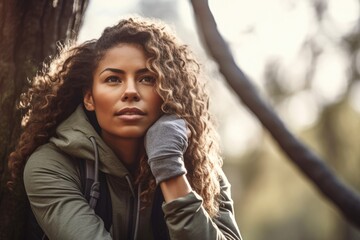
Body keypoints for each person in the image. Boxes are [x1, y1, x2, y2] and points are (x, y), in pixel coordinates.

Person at [8, 16, 242, 240]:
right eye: (113, 79)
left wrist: (168, 165)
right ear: (89, 98)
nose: (130, 91)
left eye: (147, 79)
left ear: (168, 94)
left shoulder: (198, 169)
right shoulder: (51, 166)